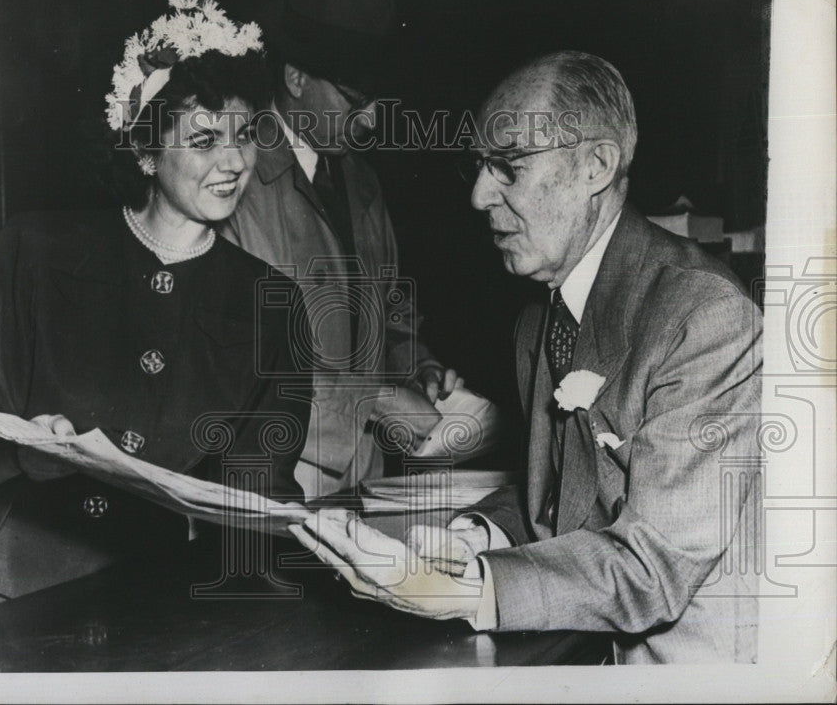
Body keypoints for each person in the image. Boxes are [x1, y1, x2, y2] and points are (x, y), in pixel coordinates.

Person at [289, 51, 763, 664]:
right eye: (480, 168)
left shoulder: (706, 320)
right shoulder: (542, 315)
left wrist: (469, 588)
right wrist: (469, 538)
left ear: (595, 165)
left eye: (508, 167)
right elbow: (565, 497)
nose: (480, 196)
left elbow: (652, 568)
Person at [0, 0, 309, 605]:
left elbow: (262, 488)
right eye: (203, 139)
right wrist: (25, 443)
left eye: (245, 135)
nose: (234, 162)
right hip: (9, 581)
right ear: (144, 150)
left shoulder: (273, 302)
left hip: (177, 593)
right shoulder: (31, 253)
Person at [220, 0, 461, 498]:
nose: (371, 121)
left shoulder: (362, 180)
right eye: (355, 101)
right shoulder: (230, 180)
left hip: (363, 476)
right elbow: (234, 361)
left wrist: (416, 365)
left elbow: (390, 306)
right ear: (296, 76)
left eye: (374, 102)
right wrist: (372, 399)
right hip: (270, 474)